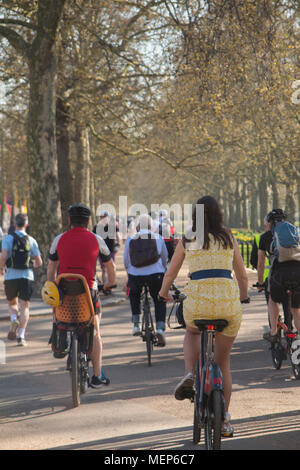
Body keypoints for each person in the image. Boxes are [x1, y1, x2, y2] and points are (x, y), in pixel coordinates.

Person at [158, 196, 249, 437]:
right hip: (227, 305)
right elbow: (241, 275)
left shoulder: (188, 238)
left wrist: (163, 292)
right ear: (219, 214)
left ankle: (189, 372)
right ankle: (225, 419)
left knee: (191, 330)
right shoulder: (228, 237)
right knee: (223, 363)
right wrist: (243, 296)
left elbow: (171, 272)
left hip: (197, 304)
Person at [47, 203, 116, 388]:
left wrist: (53, 285)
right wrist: (109, 284)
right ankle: (97, 375)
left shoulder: (58, 239)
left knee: (56, 314)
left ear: (69, 220)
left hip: (64, 293)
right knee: (96, 331)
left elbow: (51, 268)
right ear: (88, 221)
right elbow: (110, 267)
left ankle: (58, 339)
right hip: (89, 292)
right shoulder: (97, 240)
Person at [124, 213, 169, 346]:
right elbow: (164, 257)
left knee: (134, 295)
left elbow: (126, 260)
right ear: (151, 226)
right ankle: (160, 328)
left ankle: (136, 324)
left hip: (135, 275)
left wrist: (130, 273)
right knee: (160, 299)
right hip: (156, 274)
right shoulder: (157, 237)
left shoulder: (131, 239)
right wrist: (163, 269)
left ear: (137, 227)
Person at [0, 213, 43, 346]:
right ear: (26, 224)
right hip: (27, 276)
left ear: (14, 224)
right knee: (25, 306)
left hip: (11, 276)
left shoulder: (7, 239)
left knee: (12, 303)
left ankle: (14, 319)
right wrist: (32, 266)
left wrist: (1, 267)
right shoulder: (31, 240)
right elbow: (39, 262)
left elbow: (4, 255)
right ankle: (21, 336)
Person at [263, 209, 300, 342]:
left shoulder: (269, 235)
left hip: (280, 274)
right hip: (298, 272)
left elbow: (261, 263)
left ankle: (273, 332)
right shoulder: (294, 231)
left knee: (273, 300)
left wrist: (260, 282)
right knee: (296, 309)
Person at [93, 211, 120, 285]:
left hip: (109, 250)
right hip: (102, 250)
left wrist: (118, 245)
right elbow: (93, 238)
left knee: (107, 269)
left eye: (104, 217)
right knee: (107, 268)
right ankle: (107, 284)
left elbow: (118, 237)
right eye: (102, 217)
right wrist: (118, 244)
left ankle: (109, 284)